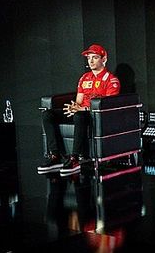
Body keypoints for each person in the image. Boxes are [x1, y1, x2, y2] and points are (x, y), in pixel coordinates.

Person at [38, 44, 120, 176]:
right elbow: (78, 101)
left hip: (95, 116)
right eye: (89, 58)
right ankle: (55, 156)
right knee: (48, 114)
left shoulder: (111, 80)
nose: (91, 61)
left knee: (79, 116)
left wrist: (82, 109)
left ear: (104, 59)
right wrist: (73, 107)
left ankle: (74, 159)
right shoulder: (84, 78)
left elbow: (107, 105)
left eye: (95, 57)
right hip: (81, 111)